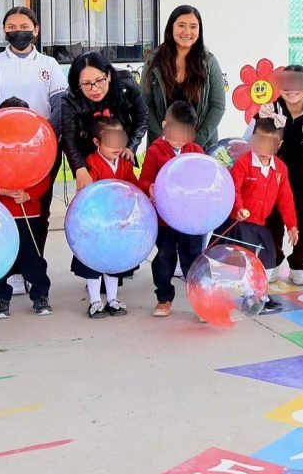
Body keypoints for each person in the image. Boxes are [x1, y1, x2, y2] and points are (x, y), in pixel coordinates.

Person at [0, 6, 65, 295]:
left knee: (37, 210)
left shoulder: (50, 65)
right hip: (3, 153)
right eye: (12, 27)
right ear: (4, 31)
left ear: (36, 30)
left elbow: (59, 105)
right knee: (7, 211)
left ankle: (33, 266)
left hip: (41, 150)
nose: (19, 31)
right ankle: (12, 270)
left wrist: (44, 138)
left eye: (24, 26)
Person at [212, 104, 298, 313]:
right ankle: (250, 296)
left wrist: (292, 226)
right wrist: (239, 208)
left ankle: (260, 294)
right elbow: (234, 189)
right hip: (240, 223)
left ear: (279, 145)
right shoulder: (243, 164)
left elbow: (286, 199)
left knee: (268, 259)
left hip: (261, 223)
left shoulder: (280, 169)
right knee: (246, 261)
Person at [249, 65, 303, 287]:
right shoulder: (268, 111)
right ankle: (273, 262)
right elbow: (249, 141)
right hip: (272, 180)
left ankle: (298, 264)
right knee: (271, 223)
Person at [0, 97, 54, 319]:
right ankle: (1, 299)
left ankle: (41, 295)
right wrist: (0, 191)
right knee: (1, 260)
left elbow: (44, 175)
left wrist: (29, 194)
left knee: (33, 259)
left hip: (29, 213)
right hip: (2, 215)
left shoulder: (34, 146)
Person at [139, 101, 207, 317]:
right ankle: (164, 297)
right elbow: (144, 180)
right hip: (165, 220)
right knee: (165, 257)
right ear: (164, 125)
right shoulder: (155, 151)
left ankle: (200, 301)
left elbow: (205, 180)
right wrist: (149, 188)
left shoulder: (196, 151)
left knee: (193, 259)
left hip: (190, 220)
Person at [74, 115, 140, 318]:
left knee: (113, 263)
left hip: (118, 225)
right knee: (94, 263)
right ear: (96, 142)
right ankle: (95, 301)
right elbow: (87, 195)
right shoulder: (91, 164)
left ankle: (112, 299)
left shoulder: (125, 164)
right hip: (96, 225)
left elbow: (134, 187)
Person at [60, 51, 147, 193]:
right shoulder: (70, 99)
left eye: (100, 80)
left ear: (109, 76)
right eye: (87, 84)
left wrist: (130, 146)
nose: (95, 89)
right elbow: (68, 137)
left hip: (121, 151)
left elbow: (142, 117)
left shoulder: (127, 84)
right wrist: (79, 168)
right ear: (78, 84)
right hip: (89, 155)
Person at [142, 5, 225, 149]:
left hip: (200, 148)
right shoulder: (154, 61)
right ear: (171, 28)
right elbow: (146, 104)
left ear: (199, 31)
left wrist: (195, 143)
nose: (187, 32)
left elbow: (217, 106)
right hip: (162, 149)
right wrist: (164, 140)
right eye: (181, 25)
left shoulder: (209, 62)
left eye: (193, 27)